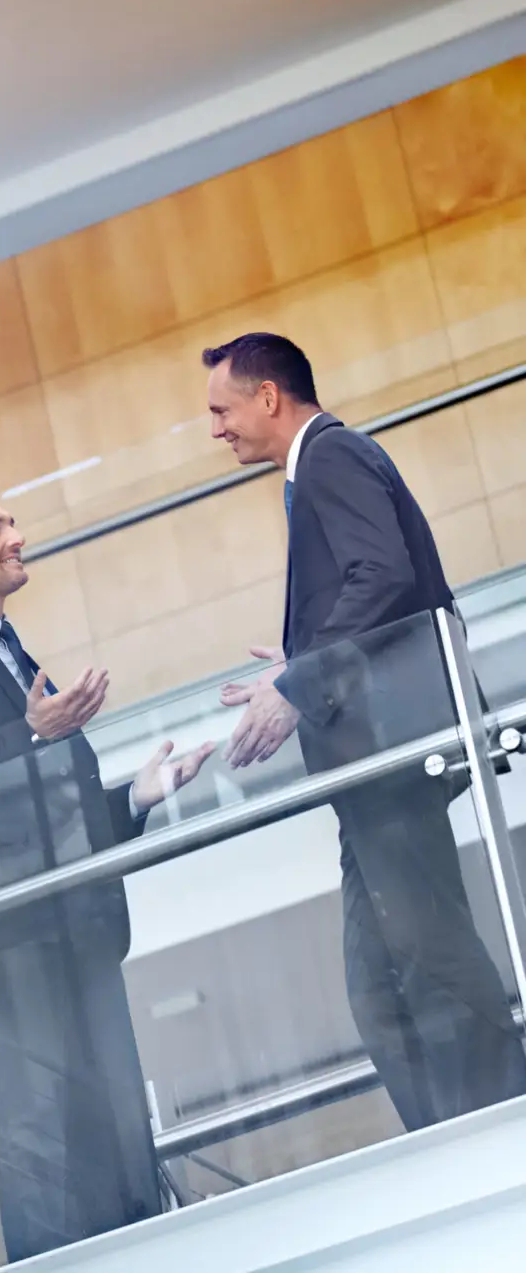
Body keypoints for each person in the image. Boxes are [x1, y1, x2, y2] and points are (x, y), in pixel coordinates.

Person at [0, 483, 211, 1262]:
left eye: (12, 522)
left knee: (114, 1112)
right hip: (13, 929)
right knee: (45, 1118)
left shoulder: (11, 650)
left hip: (77, 925)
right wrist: (29, 736)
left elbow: (46, 804)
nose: (16, 535)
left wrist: (135, 795)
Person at [205, 331, 526, 1130]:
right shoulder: (317, 465)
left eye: (222, 409)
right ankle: (447, 1137)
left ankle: (499, 1126)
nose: (217, 429)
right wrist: (300, 660)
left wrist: (296, 684)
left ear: (269, 396)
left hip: (390, 758)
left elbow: (383, 574)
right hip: (374, 762)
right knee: (378, 981)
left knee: (432, 953)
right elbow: (377, 584)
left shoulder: (329, 457)